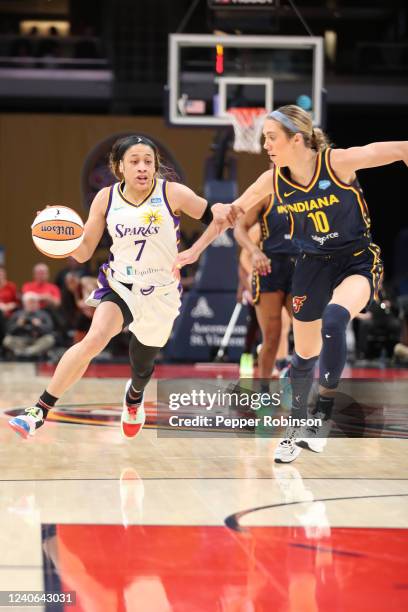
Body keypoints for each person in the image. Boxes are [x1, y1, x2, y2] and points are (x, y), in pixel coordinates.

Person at [175, 105, 407, 463]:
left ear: (296, 139)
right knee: (303, 356)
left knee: (334, 320)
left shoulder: (339, 163)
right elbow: (228, 217)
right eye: (264, 137)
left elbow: (401, 149)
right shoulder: (272, 180)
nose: (265, 144)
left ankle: (322, 417)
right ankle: (295, 426)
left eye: (272, 137)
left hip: (356, 260)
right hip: (312, 264)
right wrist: (193, 251)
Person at [9, 134, 241, 439]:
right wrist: (58, 238)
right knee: (94, 340)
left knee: (142, 365)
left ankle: (134, 397)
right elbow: (83, 251)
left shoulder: (172, 193)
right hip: (121, 285)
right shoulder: (105, 198)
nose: (143, 167)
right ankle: (39, 411)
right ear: (119, 167)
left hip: (161, 292)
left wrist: (195, 251)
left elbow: (220, 219)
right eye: (134, 161)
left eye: (148, 161)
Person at [234, 194, 298, 381]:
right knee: (270, 334)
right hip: (269, 272)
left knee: (302, 333)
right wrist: (255, 255)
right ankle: (264, 387)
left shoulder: (308, 193)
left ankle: (293, 375)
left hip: (300, 269)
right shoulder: (267, 198)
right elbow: (242, 249)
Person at [3, 292, 55, 359]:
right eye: (29, 303)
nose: (31, 305)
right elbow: (8, 330)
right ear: (24, 303)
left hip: (37, 340)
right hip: (21, 340)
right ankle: (28, 353)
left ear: (37, 303)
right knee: (7, 340)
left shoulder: (43, 314)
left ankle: (26, 353)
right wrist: (18, 325)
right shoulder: (17, 314)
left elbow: (50, 329)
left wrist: (39, 325)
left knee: (50, 339)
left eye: (34, 302)